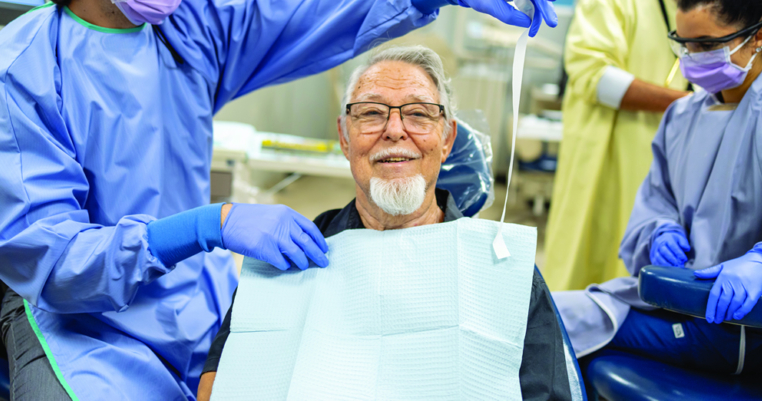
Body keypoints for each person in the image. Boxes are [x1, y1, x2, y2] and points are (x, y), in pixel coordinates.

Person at [0, 0, 559, 398]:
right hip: (82, 322)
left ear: (447, 134)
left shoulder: (188, 25)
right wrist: (205, 227)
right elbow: (55, 260)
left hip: (197, 303)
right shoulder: (21, 74)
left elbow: (302, 10)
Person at [197, 46, 573, 401]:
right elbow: (222, 383)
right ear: (345, 137)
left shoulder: (503, 274)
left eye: (419, 113)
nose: (394, 129)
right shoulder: (292, 255)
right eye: (372, 113)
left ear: (446, 139)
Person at [555, 0, 762, 377]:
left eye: (707, 44)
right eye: (684, 44)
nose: (692, 59)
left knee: (552, 324)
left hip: (741, 325)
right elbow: (655, 203)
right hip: (670, 300)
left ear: (757, 37)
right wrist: (658, 230)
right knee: (543, 312)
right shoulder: (682, 116)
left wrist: (759, 263)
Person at [544, 0, 754, 291]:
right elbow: (593, 76)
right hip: (606, 169)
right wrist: (687, 106)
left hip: (675, 176)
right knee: (583, 280)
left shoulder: (721, 20)